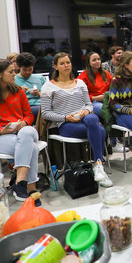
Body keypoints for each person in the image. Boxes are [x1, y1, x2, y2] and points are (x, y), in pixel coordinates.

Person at [41, 52, 113, 188]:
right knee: (101, 131)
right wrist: (65, 117)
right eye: (62, 63)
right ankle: (98, 165)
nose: (66, 65)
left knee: (92, 117)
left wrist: (86, 111)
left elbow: (89, 104)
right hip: (66, 124)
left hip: (84, 118)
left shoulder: (79, 83)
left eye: (68, 62)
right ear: (55, 66)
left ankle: (98, 165)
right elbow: (45, 113)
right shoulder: (48, 87)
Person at [0, 59, 41, 203]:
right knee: (32, 148)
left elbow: (29, 115)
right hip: (0, 137)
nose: (15, 74)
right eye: (11, 71)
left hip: (25, 131)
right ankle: (31, 189)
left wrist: (24, 122)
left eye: (15, 71)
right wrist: (1, 131)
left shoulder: (18, 92)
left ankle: (19, 182)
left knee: (26, 133)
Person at [15, 52, 46, 119]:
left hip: (42, 105)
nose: (27, 72)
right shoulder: (13, 80)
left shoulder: (40, 78)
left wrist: (39, 94)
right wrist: (19, 92)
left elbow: (49, 95)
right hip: (25, 107)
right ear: (19, 67)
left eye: (30, 69)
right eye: (24, 70)